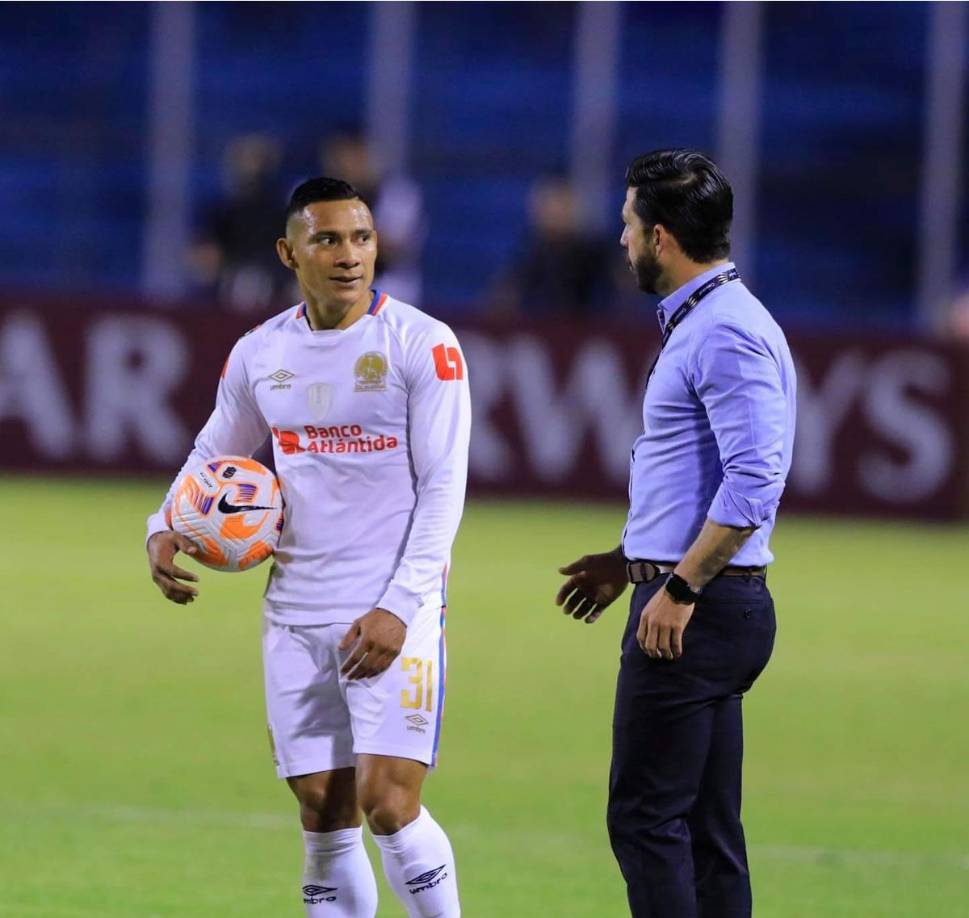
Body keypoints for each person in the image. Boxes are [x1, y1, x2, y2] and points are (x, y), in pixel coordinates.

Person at [147, 177, 470, 917]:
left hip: (396, 606)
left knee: (388, 801)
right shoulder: (261, 352)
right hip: (295, 610)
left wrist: (397, 605)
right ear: (289, 252)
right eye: (327, 239)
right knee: (324, 814)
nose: (348, 255)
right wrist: (163, 524)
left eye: (360, 238)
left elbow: (443, 489)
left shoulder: (424, 345)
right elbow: (210, 453)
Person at [555, 150, 796, 918]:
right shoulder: (714, 321)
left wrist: (678, 587)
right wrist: (630, 564)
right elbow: (699, 483)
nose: (620, 241)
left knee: (644, 819)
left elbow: (753, 484)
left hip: (699, 610)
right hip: (704, 600)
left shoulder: (723, 333)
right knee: (701, 826)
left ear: (660, 237)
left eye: (627, 226)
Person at [321, 130, 425, 306]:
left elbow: (389, 248)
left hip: (389, 284)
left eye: (356, 156)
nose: (349, 164)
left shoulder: (398, 193)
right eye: (342, 157)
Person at [489, 175, 617, 318]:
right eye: (551, 205)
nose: (557, 212)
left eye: (564, 205)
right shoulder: (529, 255)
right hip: (538, 329)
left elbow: (625, 295)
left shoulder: (595, 254)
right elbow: (501, 300)